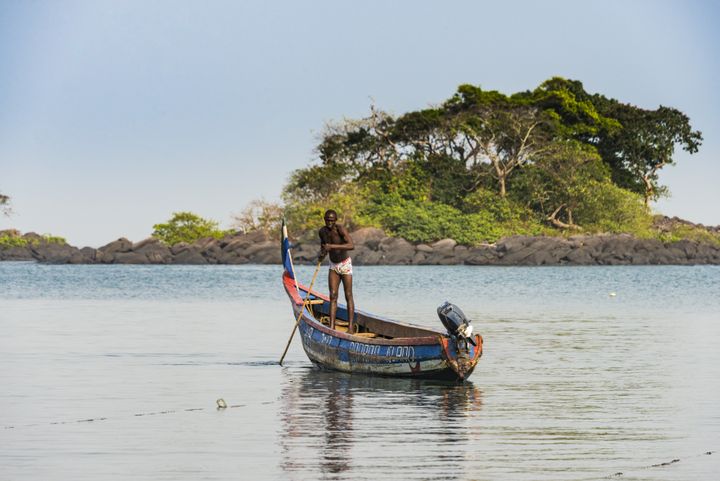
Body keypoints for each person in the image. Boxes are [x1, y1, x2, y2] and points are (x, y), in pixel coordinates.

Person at [318, 209, 355, 333]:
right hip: (333, 265)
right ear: (324, 219)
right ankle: (331, 327)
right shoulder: (322, 232)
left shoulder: (340, 229)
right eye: (327, 220)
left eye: (332, 221)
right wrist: (321, 255)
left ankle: (350, 328)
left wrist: (332, 246)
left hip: (345, 265)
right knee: (333, 295)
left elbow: (351, 245)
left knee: (348, 295)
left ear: (336, 221)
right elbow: (323, 248)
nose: (329, 223)